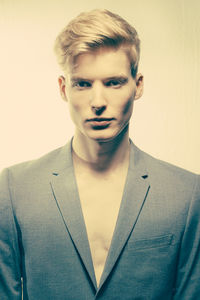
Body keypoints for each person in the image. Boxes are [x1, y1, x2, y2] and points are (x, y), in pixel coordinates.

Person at [0, 9, 199, 300]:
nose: (98, 102)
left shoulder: (187, 194)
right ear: (63, 88)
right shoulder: (14, 189)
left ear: (138, 85)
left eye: (113, 82)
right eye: (82, 83)